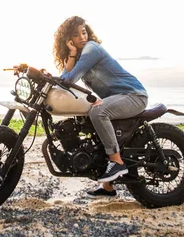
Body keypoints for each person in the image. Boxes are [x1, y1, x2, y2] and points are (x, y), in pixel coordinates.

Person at [53, 15, 148, 198]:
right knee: (93, 121)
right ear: (68, 39)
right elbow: (64, 81)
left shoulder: (91, 49)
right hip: (121, 97)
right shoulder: (81, 54)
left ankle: (116, 161)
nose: (82, 37)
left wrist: (71, 56)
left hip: (134, 96)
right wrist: (72, 54)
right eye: (76, 34)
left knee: (98, 112)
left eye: (83, 32)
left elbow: (69, 80)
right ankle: (108, 187)